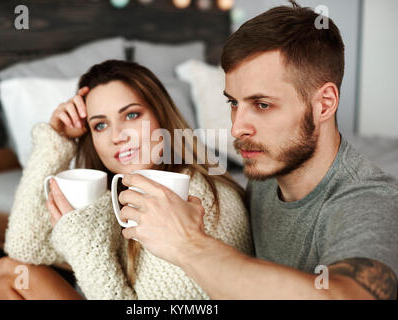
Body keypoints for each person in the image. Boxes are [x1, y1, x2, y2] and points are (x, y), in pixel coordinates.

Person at [117, 2, 398, 299]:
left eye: (262, 105)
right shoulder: (265, 176)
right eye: (233, 103)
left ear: (324, 104)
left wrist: (188, 244)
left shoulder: (370, 201)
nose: (238, 128)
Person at [0, 60, 253, 299]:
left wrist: (86, 248)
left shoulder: (196, 195)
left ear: (162, 118)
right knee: (11, 271)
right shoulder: (123, 192)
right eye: (100, 125)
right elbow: (24, 246)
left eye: (131, 115)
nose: (117, 136)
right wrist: (55, 143)